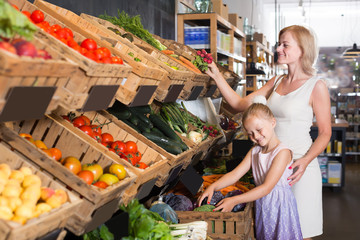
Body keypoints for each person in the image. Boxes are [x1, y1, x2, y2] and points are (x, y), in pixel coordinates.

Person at [205, 25, 331, 239]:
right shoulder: (277, 82)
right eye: (278, 44)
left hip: (298, 168)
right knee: (275, 229)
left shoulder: (316, 86)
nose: (279, 49)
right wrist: (217, 76)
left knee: (300, 231)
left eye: (285, 45)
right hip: (270, 163)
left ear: (302, 49)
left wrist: (307, 160)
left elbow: (325, 133)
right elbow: (238, 104)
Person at [198, 102, 303, 240]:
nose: (256, 137)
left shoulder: (282, 153)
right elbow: (235, 174)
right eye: (250, 134)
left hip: (280, 206)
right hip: (263, 204)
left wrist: (234, 200)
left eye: (259, 130)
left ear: (273, 122)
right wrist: (213, 186)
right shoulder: (255, 151)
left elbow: (266, 188)